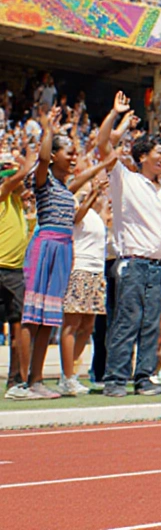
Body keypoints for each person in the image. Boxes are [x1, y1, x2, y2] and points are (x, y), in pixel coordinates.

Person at [15, 107, 116, 399]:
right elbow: (43, 158)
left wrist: (102, 165)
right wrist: (47, 128)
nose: (73, 157)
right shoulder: (43, 180)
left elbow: (78, 183)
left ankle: (36, 381)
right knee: (31, 316)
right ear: (55, 155)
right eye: (68, 153)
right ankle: (22, 383)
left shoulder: (62, 188)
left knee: (48, 318)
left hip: (63, 249)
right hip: (45, 246)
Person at [99, 92, 161, 398]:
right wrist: (115, 115)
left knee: (150, 327)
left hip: (158, 266)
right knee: (126, 322)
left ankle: (144, 378)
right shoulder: (125, 179)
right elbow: (103, 144)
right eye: (159, 152)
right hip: (132, 264)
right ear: (141, 156)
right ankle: (116, 379)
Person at [59, 178, 107, 396]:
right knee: (72, 323)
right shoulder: (72, 208)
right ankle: (67, 376)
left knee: (88, 325)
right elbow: (77, 218)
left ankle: (70, 374)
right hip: (79, 268)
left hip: (96, 271)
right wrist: (92, 194)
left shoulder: (94, 215)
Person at [1, 147, 35, 397]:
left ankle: (16, 381)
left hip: (14, 272)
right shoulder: (2, 194)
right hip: (3, 270)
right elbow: (16, 178)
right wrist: (26, 162)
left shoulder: (17, 204)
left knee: (19, 326)